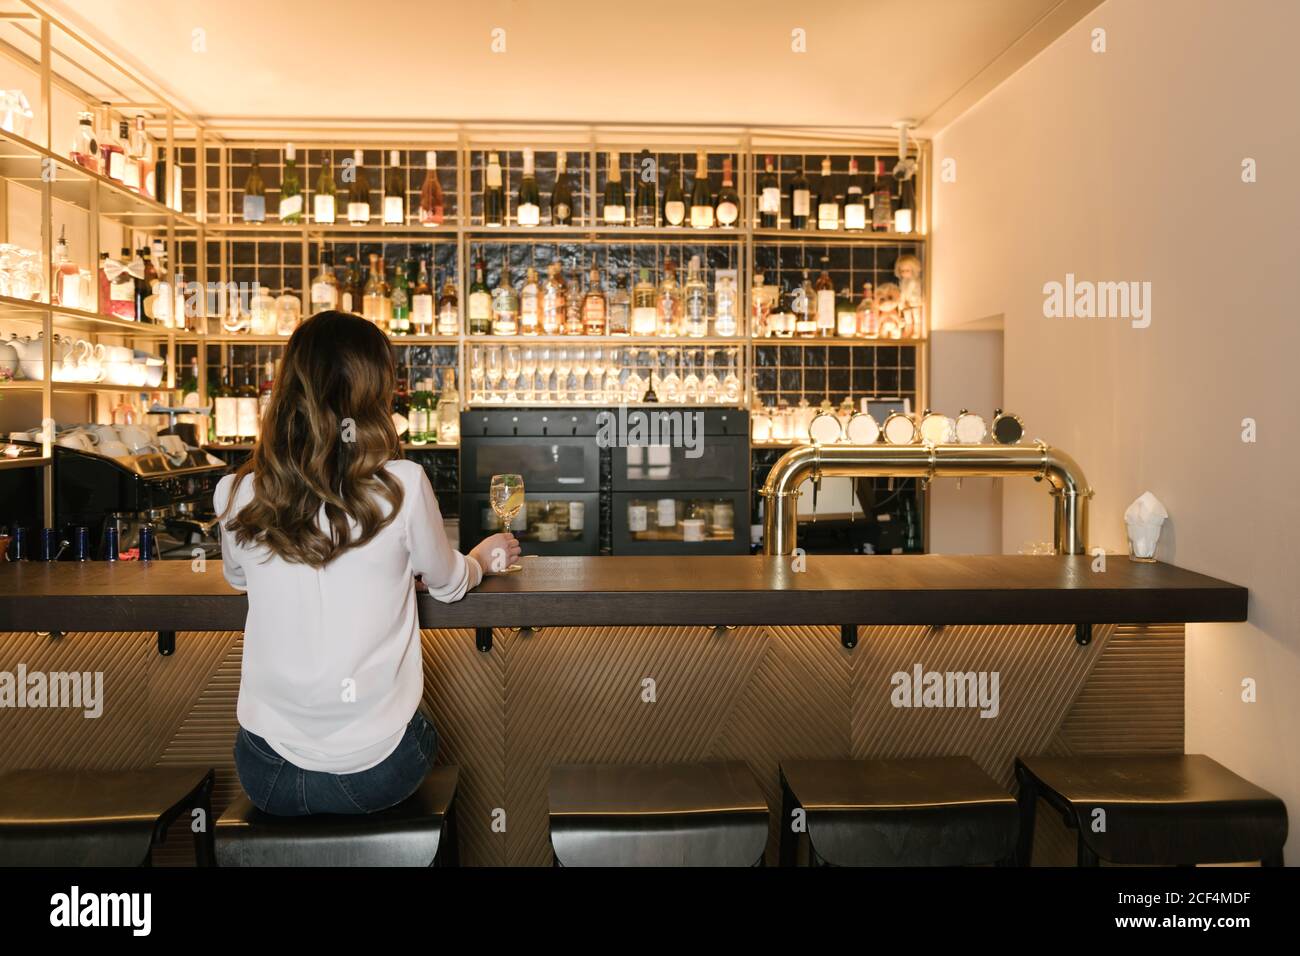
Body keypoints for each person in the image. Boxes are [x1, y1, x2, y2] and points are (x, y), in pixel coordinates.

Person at [214, 310, 519, 816]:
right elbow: (446, 583)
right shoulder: (402, 484)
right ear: (373, 394)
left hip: (264, 772)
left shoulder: (239, 491)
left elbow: (236, 576)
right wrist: (479, 560)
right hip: (379, 771)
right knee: (419, 731)